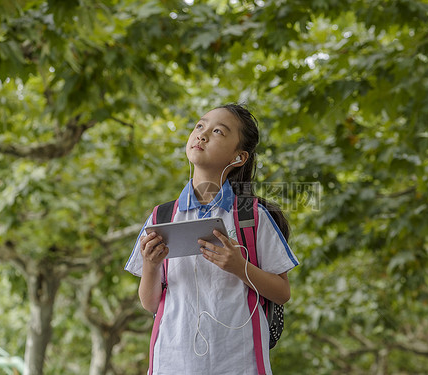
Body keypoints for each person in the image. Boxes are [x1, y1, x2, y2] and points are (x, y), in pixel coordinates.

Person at [125, 103, 299, 375]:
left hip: (240, 363)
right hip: (171, 362)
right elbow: (150, 303)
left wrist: (239, 267)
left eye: (218, 131)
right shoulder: (162, 217)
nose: (202, 135)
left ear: (238, 157)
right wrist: (150, 265)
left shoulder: (252, 217)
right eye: (199, 126)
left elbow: (282, 292)